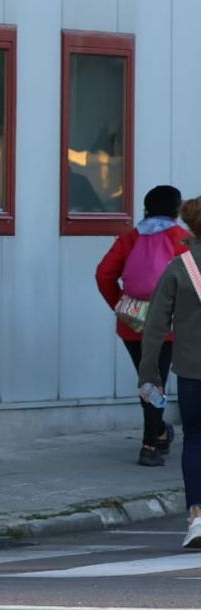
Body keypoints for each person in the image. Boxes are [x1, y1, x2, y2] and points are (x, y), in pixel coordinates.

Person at [98, 184, 188, 465]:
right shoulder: (181, 238)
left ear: (146, 208)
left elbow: (103, 274)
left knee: (147, 380)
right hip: (168, 323)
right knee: (155, 380)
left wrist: (122, 306)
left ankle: (158, 434)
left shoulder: (130, 238)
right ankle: (150, 445)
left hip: (132, 323)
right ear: (177, 210)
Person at [138, 195, 201, 550]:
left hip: (192, 370)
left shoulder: (181, 267)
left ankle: (197, 517)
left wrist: (150, 374)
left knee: (194, 440)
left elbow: (156, 326)